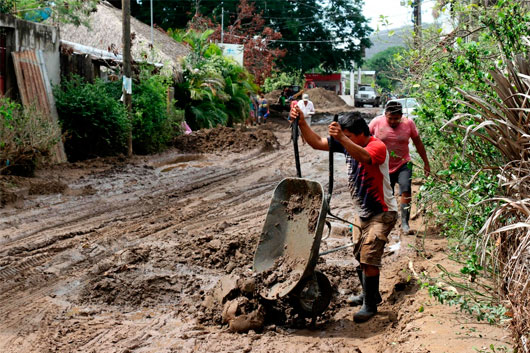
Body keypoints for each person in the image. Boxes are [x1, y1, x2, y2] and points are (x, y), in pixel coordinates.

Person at [290, 105, 398, 323]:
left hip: (382, 213)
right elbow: (317, 143)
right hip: (362, 213)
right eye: (343, 137)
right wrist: (302, 122)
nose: (344, 141)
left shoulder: (377, 146)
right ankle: (371, 294)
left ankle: (370, 305)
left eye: (348, 136)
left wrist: (342, 139)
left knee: (369, 258)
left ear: (361, 133)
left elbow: (365, 157)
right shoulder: (349, 144)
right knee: (360, 256)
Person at [369, 101, 431, 234]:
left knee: (406, 190)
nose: (392, 122)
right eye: (390, 118)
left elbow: (418, 144)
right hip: (383, 165)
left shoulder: (408, 124)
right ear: (385, 115)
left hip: (403, 163)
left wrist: (426, 162)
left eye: (396, 119)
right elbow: (364, 140)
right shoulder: (376, 123)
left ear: (401, 116)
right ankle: (386, 221)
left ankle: (404, 223)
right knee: (387, 194)